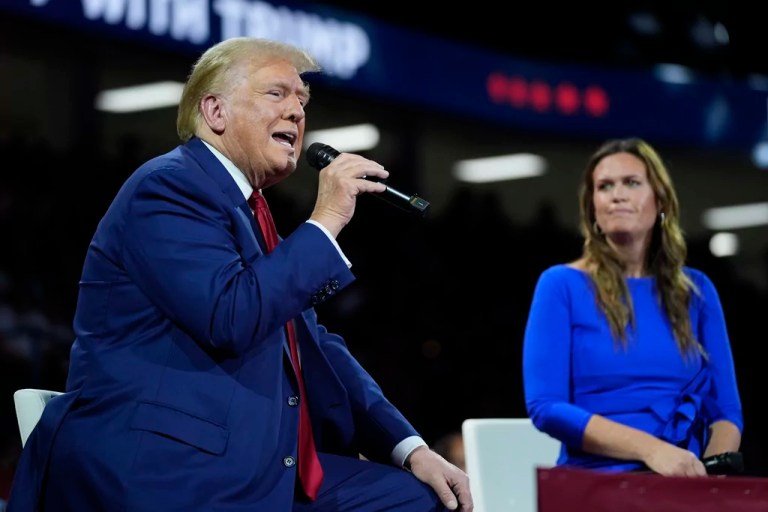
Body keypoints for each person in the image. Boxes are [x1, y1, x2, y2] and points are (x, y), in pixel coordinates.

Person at [7, 37, 472, 512]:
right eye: (277, 94)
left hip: (253, 467)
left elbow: (314, 344)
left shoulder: (251, 213)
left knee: (418, 498)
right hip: (166, 468)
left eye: (302, 100)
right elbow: (231, 315)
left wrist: (410, 448)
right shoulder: (168, 187)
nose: (296, 111)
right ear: (215, 111)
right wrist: (327, 218)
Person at [522, 137, 743, 477]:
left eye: (632, 183)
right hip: (595, 478)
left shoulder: (697, 290)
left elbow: (726, 411)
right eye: (604, 186)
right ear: (592, 206)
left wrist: (706, 478)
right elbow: (546, 407)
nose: (617, 194)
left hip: (684, 478)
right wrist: (652, 451)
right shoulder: (560, 285)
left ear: (660, 200)